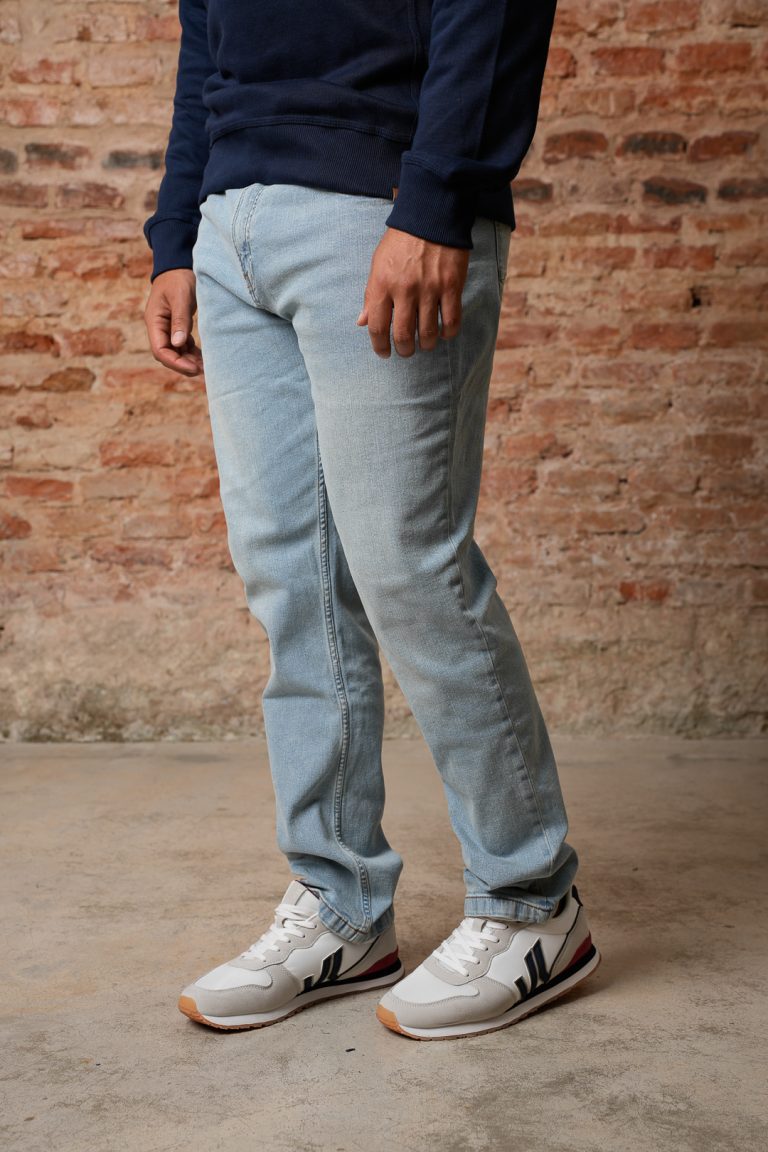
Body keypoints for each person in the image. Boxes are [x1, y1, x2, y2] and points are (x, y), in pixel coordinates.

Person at [142, 0, 601, 1041]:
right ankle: (340, 904)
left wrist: (437, 199)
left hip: (380, 202)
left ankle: (533, 902)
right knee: (288, 578)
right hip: (232, 221)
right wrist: (178, 230)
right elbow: (206, 36)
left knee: (408, 563)